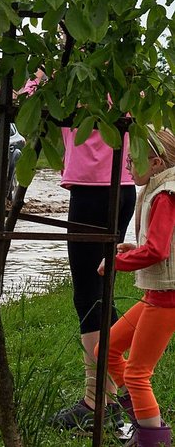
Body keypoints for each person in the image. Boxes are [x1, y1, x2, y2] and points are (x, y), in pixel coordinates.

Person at [21, 73, 138, 431]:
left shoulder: (64, 71)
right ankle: (117, 391)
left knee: (88, 294)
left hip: (92, 192)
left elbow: (29, 106)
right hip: (123, 187)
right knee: (99, 289)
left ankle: (97, 400)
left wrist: (35, 77)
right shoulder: (124, 67)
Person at [97, 127, 175, 447]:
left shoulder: (164, 195)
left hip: (168, 299)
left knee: (136, 375)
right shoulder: (157, 188)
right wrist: (133, 248)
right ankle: (148, 423)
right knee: (109, 349)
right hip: (155, 296)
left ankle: (152, 440)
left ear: (155, 163)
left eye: (133, 160)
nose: (128, 166)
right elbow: (158, 244)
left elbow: (158, 250)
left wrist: (118, 263)